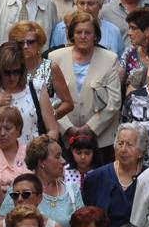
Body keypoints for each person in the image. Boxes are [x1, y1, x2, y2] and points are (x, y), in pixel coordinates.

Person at [49, 10, 123, 159]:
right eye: (78, 32)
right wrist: (68, 128)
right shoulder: (55, 57)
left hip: (100, 141)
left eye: (88, 32)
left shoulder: (110, 59)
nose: (83, 36)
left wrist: (90, 128)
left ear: (95, 35)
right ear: (72, 35)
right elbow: (48, 98)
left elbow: (114, 102)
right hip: (64, 140)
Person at [0, 138, 80, 227]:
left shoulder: (72, 190)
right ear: (42, 162)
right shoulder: (20, 189)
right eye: (57, 157)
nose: (63, 161)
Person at [0, 41, 61, 146]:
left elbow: (53, 130)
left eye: (16, 71)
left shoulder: (36, 88)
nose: (12, 77)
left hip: (28, 159)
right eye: (7, 72)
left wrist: (38, 149)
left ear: (22, 70)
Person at [82, 122, 146, 227]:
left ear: (141, 151)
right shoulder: (96, 178)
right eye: (120, 143)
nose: (123, 149)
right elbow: (87, 220)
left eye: (129, 145)